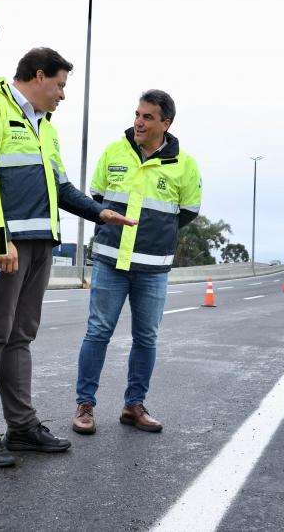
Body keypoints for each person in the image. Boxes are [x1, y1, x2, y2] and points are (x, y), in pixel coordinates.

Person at [0, 48, 135, 468]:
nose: (62, 94)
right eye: (59, 85)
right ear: (38, 76)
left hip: (42, 243)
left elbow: (61, 188)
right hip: (8, 245)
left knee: (20, 337)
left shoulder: (47, 128)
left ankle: (21, 426)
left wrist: (100, 212)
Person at [72, 90, 202, 435]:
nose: (138, 122)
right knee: (98, 332)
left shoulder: (184, 164)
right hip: (109, 261)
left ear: (165, 123)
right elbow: (97, 199)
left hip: (153, 268)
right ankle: (85, 405)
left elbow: (187, 211)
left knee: (146, 337)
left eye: (147, 117)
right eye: (137, 114)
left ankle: (134, 405)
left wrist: (154, 236)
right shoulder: (114, 151)